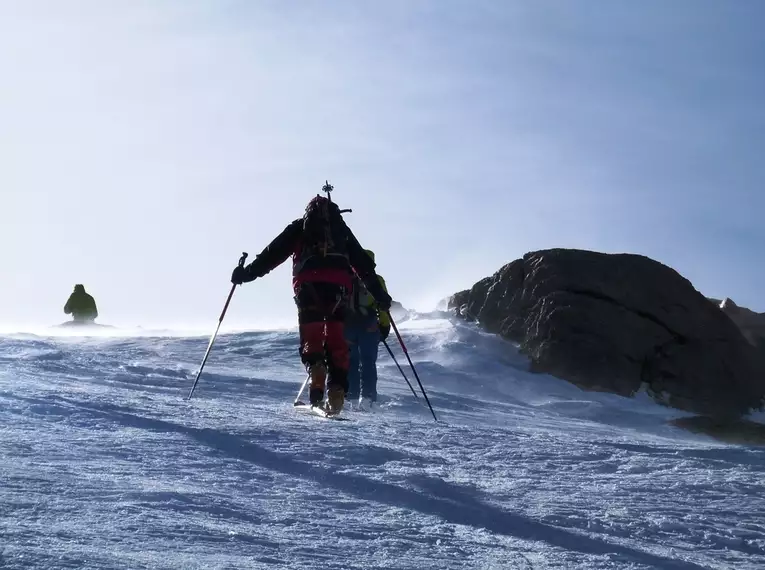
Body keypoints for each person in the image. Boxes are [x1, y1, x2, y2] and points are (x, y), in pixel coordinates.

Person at [231, 191, 392, 414]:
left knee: (312, 337)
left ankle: (317, 372)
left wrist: (245, 274)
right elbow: (363, 264)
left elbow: (272, 254)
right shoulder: (342, 232)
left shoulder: (300, 228)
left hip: (308, 287)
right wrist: (380, 296)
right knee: (337, 342)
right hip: (339, 290)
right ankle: (336, 391)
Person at [345, 249, 391, 410]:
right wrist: (384, 327)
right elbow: (383, 306)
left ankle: (350, 396)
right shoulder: (376, 280)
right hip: (369, 327)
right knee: (368, 363)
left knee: (350, 362)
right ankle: (368, 398)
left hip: (348, 327)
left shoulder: (345, 279)